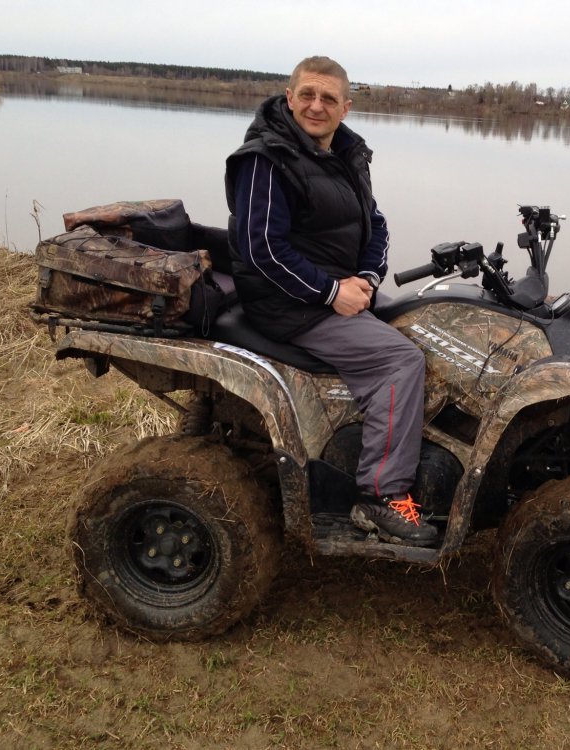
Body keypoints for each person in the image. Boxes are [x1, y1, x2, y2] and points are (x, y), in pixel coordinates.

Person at [224, 56, 437, 547]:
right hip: (288, 304)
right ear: (289, 96)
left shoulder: (345, 153)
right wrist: (331, 292)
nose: (316, 106)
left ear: (346, 107)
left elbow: (374, 224)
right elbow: (261, 248)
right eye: (307, 95)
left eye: (328, 98)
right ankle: (381, 496)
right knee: (400, 361)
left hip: (336, 288)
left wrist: (365, 278)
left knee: (427, 324)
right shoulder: (265, 158)